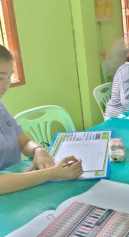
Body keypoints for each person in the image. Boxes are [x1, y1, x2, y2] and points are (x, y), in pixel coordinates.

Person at [0, 45, 83, 194]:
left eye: (9, 77)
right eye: (0, 77)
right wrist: (52, 173)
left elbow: (24, 142)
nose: (6, 85)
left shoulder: (1, 107)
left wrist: (39, 150)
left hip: (21, 184)